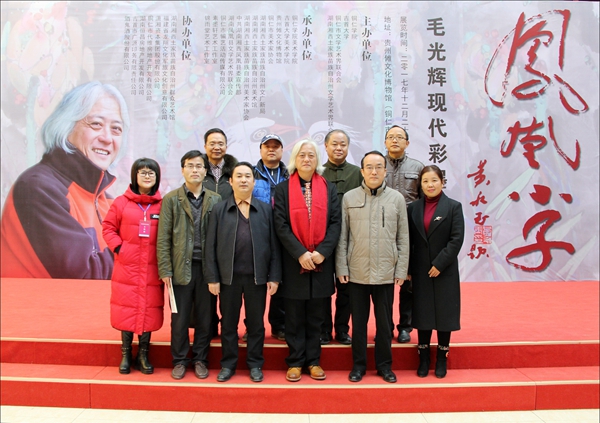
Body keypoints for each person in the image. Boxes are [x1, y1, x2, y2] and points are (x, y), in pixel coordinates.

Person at [1, 81, 129, 279]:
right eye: (96, 124)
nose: (107, 138)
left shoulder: (109, 203)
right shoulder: (38, 188)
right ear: (66, 126)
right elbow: (85, 276)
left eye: (116, 129)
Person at [336, 151, 409, 383]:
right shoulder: (350, 198)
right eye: (369, 167)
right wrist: (342, 267)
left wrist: (401, 270)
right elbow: (342, 237)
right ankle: (358, 366)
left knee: (385, 325)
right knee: (358, 324)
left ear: (385, 171)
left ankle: (384, 366)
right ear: (362, 171)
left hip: (386, 272)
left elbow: (403, 237)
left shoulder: (396, 199)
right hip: (357, 271)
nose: (374, 171)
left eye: (379, 167)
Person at [205, 162, 282, 383]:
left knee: (256, 324)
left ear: (254, 182)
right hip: (228, 278)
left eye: (248, 176)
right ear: (231, 181)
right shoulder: (220, 209)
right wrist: (213, 277)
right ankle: (228, 364)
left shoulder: (265, 210)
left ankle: (255, 364)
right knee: (228, 324)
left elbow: (274, 246)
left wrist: (274, 276)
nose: (243, 180)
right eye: (239, 176)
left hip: (256, 278)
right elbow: (211, 246)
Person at [274, 139, 341, 382]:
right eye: (302, 155)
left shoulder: (329, 188)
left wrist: (322, 252)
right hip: (294, 263)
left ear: (317, 159)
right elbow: (280, 225)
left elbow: (335, 223)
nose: (306, 159)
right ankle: (294, 362)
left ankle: (313, 361)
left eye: (311, 155)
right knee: (293, 317)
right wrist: (301, 253)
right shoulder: (283, 189)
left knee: (316, 317)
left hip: (321, 262)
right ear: (295, 158)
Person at [157, 150, 221, 380]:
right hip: (179, 269)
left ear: (205, 171)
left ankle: (201, 359)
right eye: (190, 166)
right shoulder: (171, 199)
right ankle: (180, 360)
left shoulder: (215, 199)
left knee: (205, 317)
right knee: (180, 318)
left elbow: (220, 238)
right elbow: (163, 238)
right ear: (183, 169)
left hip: (207, 270)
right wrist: (165, 269)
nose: (195, 170)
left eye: (199, 166)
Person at [102, 158, 163, 375]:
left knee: (148, 308)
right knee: (126, 308)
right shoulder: (121, 202)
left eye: (151, 173)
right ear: (135, 176)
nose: (147, 176)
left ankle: (144, 354)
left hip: (152, 267)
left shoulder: (163, 205)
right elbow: (108, 227)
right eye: (142, 172)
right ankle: (126, 354)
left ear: (157, 178)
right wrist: (120, 248)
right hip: (127, 266)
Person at [407, 165, 465, 379]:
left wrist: (440, 263)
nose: (430, 185)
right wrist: (409, 269)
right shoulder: (413, 208)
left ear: (442, 182)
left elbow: (456, 239)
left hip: (444, 270)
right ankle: (423, 358)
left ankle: (442, 358)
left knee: (444, 314)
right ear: (420, 185)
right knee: (423, 314)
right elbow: (409, 241)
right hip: (420, 270)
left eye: (434, 180)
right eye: (425, 181)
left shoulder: (453, 207)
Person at [320, 129, 363, 346]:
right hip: (323, 240)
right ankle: (324, 329)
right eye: (334, 144)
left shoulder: (358, 173)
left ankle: (343, 329)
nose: (339, 148)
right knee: (323, 288)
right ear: (326, 146)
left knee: (347, 288)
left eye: (343, 144)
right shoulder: (318, 173)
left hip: (351, 239)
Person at [384, 125, 424, 343]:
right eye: (391, 137)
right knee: (383, 284)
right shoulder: (378, 165)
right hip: (383, 230)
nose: (395, 140)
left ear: (407, 143)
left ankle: (405, 327)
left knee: (408, 282)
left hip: (410, 231)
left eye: (399, 137)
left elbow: (424, 201)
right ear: (385, 142)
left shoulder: (418, 167)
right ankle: (386, 326)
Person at [201, 127, 238, 338]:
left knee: (227, 289)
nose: (217, 147)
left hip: (229, 237)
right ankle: (209, 326)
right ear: (205, 146)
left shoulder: (234, 172)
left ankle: (228, 327)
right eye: (212, 143)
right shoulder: (198, 170)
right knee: (207, 287)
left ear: (226, 146)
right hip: (203, 235)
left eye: (220, 143)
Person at [252, 133, 289, 342]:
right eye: (267, 146)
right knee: (254, 284)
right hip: (258, 233)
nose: (272, 149)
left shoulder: (290, 173)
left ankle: (279, 325)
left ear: (282, 150)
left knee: (281, 282)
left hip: (283, 234)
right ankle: (252, 326)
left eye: (276, 146)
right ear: (261, 150)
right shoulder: (251, 173)